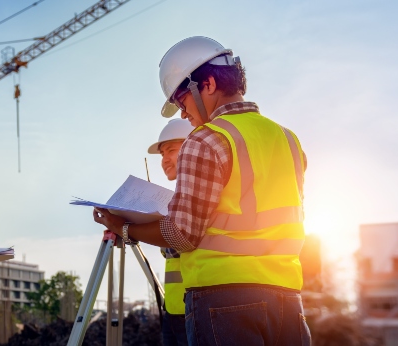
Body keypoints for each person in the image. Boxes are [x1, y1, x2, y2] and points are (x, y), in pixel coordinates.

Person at [93, 36, 311, 345]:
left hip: (225, 302)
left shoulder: (205, 139)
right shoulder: (289, 140)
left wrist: (124, 227)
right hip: (288, 300)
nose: (183, 114)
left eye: (181, 101)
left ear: (206, 84)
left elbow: (182, 233)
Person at [147, 119, 194, 346]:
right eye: (162, 154)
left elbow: (180, 243)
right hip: (174, 309)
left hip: (194, 310)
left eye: (171, 151)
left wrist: (128, 229)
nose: (164, 160)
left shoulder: (195, 196)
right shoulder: (174, 200)